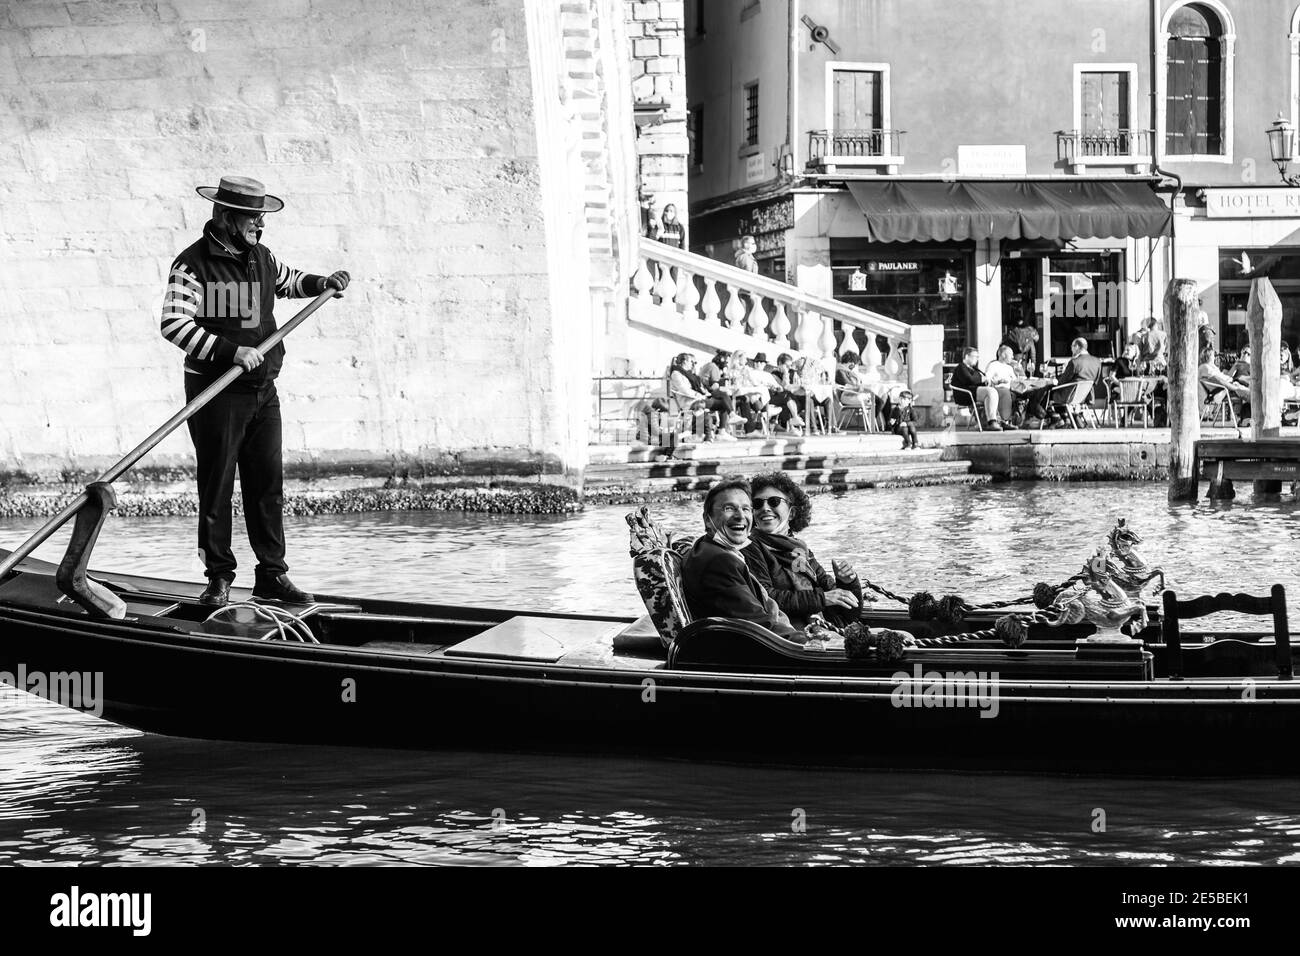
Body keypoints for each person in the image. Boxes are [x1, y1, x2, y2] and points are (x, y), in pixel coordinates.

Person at [161, 175, 349, 607]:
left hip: (264, 390)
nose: (259, 226)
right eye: (251, 218)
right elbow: (174, 325)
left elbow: (287, 281)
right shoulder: (192, 265)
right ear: (226, 217)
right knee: (217, 486)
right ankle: (220, 577)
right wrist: (230, 351)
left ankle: (272, 575)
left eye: (261, 219)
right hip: (216, 392)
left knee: (267, 485)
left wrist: (323, 282)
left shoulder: (260, 256)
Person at [680, 479, 801, 639]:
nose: (740, 516)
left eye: (746, 509)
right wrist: (813, 645)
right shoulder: (720, 561)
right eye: (729, 508)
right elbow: (762, 628)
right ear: (707, 519)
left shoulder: (708, 548)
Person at [740, 472, 862, 630]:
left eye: (774, 502)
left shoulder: (801, 550)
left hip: (826, 629)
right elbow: (765, 596)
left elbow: (850, 612)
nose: (765, 508)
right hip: (791, 637)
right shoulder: (750, 547)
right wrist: (822, 599)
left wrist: (848, 583)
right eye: (757, 504)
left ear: (792, 512)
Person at [1022, 337, 1102, 426]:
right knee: (1046, 391)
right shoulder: (1097, 361)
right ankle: (1063, 418)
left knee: (1043, 391)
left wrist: (1054, 379)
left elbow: (1062, 382)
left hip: (1068, 395)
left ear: (1077, 347)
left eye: (1072, 346)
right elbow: (1095, 382)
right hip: (1085, 396)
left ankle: (1052, 416)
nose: (1071, 349)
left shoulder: (1074, 362)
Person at [951, 347, 1007, 430]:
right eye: (975, 356)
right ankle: (992, 422)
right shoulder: (961, 367)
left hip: (973, 392)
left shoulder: (974, 369)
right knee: (991, 392)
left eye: (977, 357)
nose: (977, 359)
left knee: (1000, 392)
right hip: (965, 394)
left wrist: (994, 381)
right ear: (967, 356)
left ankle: (1001, 421)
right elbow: (969, 379)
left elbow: (979, 379)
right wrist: (983, 379)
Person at [1199, 345, 1250, 424]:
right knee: (1252, 395)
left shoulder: (1211, 368)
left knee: (1251, 391)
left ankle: (1247, 418)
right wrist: (1233, 387)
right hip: (1224, 390)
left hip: (1227, 387)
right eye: (1214, 355)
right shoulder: (1205, 367)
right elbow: (1218, 380)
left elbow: (1222, 378)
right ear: (1208, 356)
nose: (1215, 357)